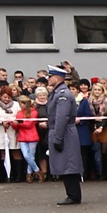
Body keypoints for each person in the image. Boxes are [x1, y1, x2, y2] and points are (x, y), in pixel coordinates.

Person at [47, 69, 82, 204]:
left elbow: (62, 117)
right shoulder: (57, 93)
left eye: (51, 76)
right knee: (65, 163)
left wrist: (58, 137)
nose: (49, 79)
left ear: (58, 78)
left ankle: (73, 195)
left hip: (64, 131)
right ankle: (72, 194)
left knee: (68, 164)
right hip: (61, 131)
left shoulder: (63, 94)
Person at [0, 86, 19, 181]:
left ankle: (17, 176)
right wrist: (1, 121)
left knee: (15, 152)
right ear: (0, 96)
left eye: (9, 97)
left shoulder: (16, 104)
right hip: (0, 131)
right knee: (2, 153)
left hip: (13, 131)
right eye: (4, 97)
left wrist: (12, 121)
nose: (7, 99)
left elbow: (19, 116)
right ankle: (3, 176)